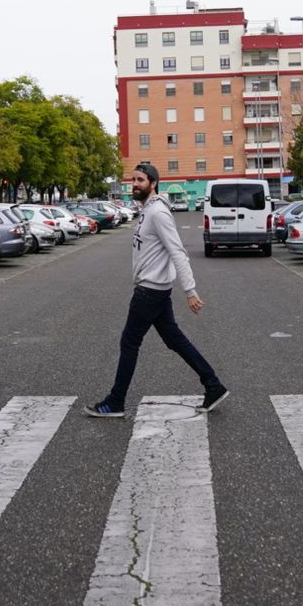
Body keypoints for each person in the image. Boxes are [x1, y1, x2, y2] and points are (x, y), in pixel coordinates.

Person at [84, 163, 228, 418]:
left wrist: (190, 290)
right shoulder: (147, 211)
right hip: (155, 291)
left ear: (153, 183)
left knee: (129, 342)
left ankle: (116, 401)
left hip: (149, 292)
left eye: (140, 180)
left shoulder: (158, 213)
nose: (135, 184)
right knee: (175, 340)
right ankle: (213, 385)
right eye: (133, 180)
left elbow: (178, 252)